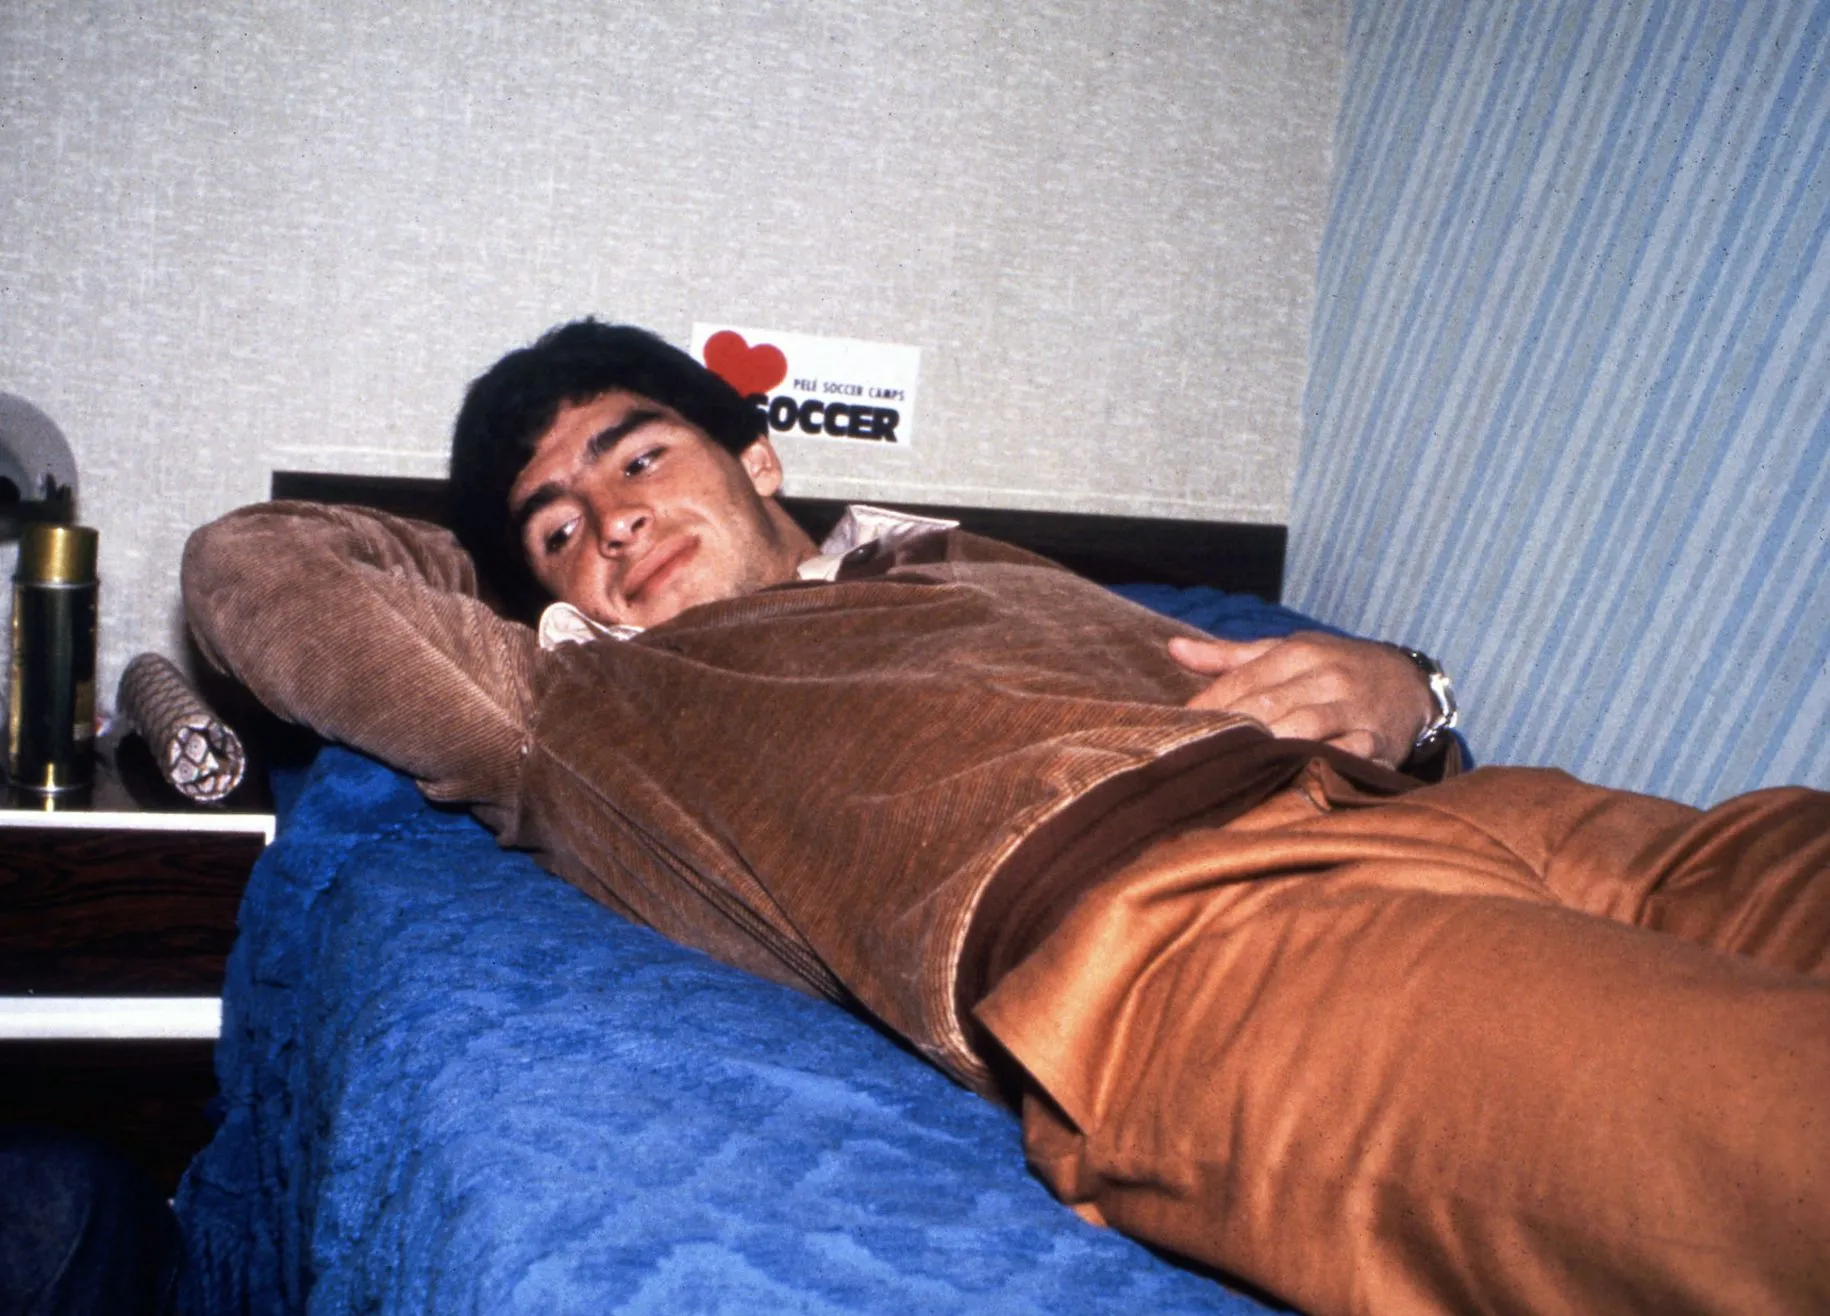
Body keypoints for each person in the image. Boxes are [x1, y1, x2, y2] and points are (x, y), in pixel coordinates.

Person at [183, 320, 1829, 1316]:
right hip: (1197, 936)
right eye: (556, 528)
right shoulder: (568, 708)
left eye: (638, 461)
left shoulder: (956, 559)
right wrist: (503, 580)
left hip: (1505, 816)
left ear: (758, 458)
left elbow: (1267, 675)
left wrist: (1408, 685)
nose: (609, 522)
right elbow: (255, 568)